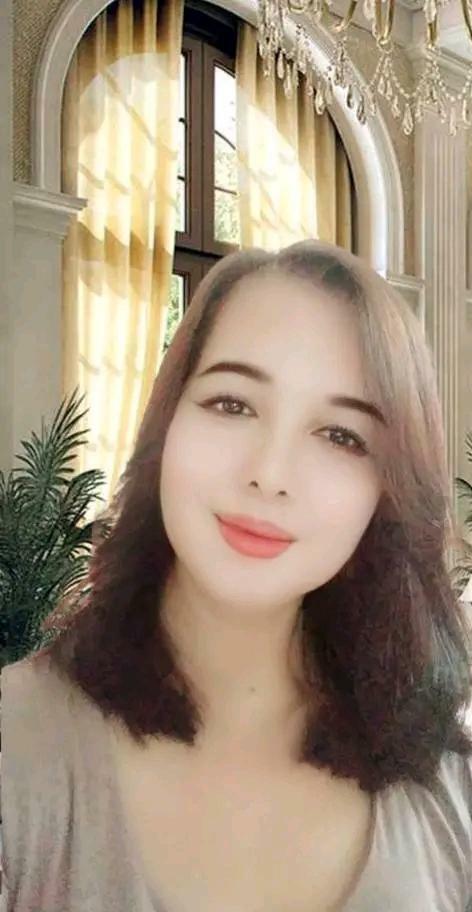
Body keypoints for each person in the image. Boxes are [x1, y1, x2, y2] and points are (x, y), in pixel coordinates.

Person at [2, 239, 472, 912]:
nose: (270, 474)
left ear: (388, 492)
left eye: (341, 436)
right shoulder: (18, 749)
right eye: (232, 404)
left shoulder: (449, 790)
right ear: (167, 423)